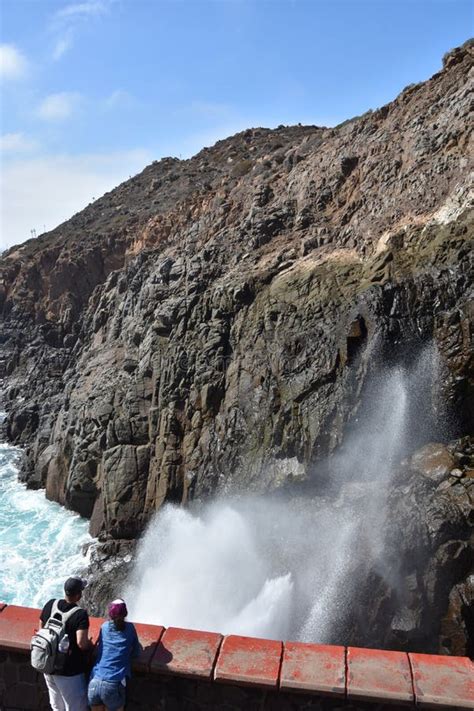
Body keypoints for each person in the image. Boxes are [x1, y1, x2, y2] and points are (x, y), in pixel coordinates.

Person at [40, 576, 91, 711]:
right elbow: (81, 643)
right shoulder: (80, 614)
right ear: (79, 595)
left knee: (57, 706)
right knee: (75, 707)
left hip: (48, 665)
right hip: (69, 670)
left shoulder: (50, 604)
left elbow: (41, 630)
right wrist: (90, 645)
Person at [88, 599, 142, 711]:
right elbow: (136, 652)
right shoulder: (130, 628)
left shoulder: (104, 627)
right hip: (113, 684)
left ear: (110, 613)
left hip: (94, 682)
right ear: (125, 613)